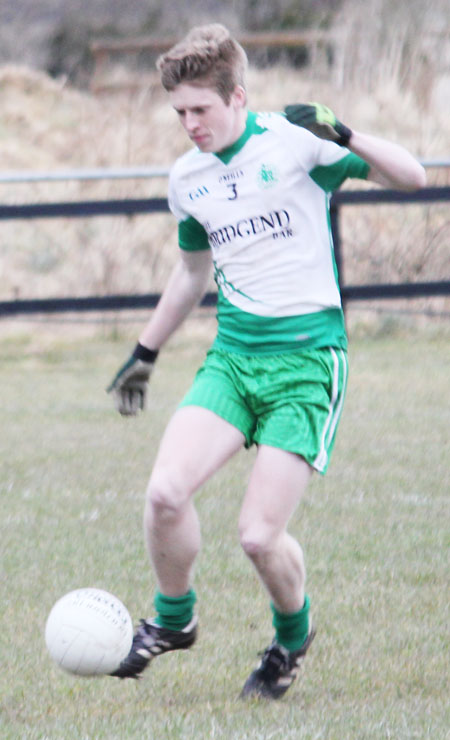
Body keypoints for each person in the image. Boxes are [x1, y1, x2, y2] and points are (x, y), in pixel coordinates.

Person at [107, 23, 426, 699]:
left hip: (308, 363)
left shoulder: (296, 143)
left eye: (201, 109)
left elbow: (414, 176)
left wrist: (346, 133)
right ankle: (175, 621)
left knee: (258, 537)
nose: (190, 124)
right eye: (180, 112)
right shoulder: (188, 179)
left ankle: (290, 639)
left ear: (238, 96)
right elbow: (191, 275)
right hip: (233, 359)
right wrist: (144, 351)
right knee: (164, 493)